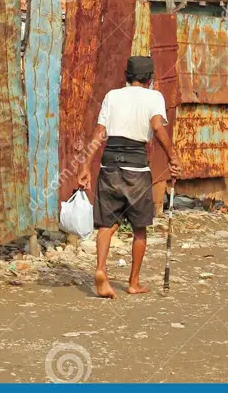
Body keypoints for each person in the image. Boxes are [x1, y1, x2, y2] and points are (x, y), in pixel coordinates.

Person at [77, 56, 180, 298]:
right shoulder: (154, 97)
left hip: (109, 165)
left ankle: (101, 269)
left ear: (127, 76)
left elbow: (99, 133)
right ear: (150, 78)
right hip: (137, 168)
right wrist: (172, 157)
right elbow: (156, 127)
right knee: (139, 228)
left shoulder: (113, 96)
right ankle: (133, 282)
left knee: (106, 224)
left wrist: (84, 166)